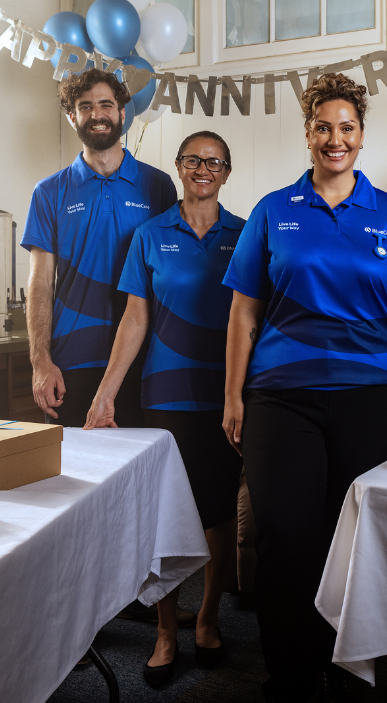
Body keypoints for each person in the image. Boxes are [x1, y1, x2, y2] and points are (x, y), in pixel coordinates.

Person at [222, 73, 387, 703]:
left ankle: (347, 671)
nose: (335, 139)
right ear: (308, 133)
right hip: (281, 395)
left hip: (371, 394)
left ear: (362, 136)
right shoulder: (273, 211)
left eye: (347, 128)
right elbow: (243, 312)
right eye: (323, 127)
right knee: (285, 538)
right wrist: (234, 395)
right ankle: (291, 676)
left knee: (355, 542)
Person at [83, 131, 245, 687]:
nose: (203, 168)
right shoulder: (149, 235)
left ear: (227, 172)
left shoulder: (246, 236)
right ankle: (164, 631)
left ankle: (207, 620)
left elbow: (254, 321)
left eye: (214, 162)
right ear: (179, 167)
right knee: (163, 518)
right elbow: (135, 320)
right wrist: (106, 392)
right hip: (166, 398)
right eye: (194, 160)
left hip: (225, 401)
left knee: (220, 515)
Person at [22, 68, 177, 427]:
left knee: (142, 478)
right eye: (85, 106)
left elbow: (169, 275)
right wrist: (40, 362)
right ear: (72, 116)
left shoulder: (158, 186)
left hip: (141, 362)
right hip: (69, 364)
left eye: (106, 105)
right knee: (72, 480)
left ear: (123, 114)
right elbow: (40, 284)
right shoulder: (49, 192)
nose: (97, 114)